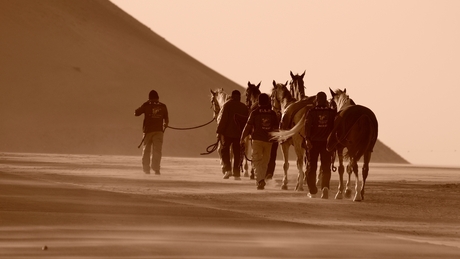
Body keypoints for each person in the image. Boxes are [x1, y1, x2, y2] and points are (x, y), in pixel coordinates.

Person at [240, 93, 279, 190]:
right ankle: (261, 180)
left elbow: (248, 126)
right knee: (265, 161)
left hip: (257, 140)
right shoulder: (273, 113)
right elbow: (276, 128)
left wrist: (242, 138)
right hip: (268, 141)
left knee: (256, 160)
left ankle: (259, 180)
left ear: (259, 102)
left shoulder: (255, 112)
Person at [304, 91, 336, 198]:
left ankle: (312, 191)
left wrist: (307, 139)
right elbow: (334, 128)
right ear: (326, 100)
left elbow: (307, 127)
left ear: (317, 100)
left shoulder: (311, 112)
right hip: (326, 143)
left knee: (311, 167)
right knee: (326, 167)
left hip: (313, 143)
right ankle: (325, 188)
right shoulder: (331, 112)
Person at [134, 90, 169, 175]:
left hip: (148, 132)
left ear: (149, 98)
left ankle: (146, 170)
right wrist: (164, 125)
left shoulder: (146, 105)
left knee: (146, 151)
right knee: (157, 151)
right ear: (158, 98)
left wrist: (146, 103)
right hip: (159, 132)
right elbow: (166, 120)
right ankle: (156, 169)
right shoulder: (163, 106)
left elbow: (136, 113)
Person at [216, 90, 249, 180]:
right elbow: (247, 122)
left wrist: (219, 132)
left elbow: (223, 120)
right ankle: (237, 173)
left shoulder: (227, 105)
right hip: (239, 134)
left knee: (224, 150)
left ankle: (228, 170)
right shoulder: (244, 107)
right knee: (237, 153)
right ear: (239, 97)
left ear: (231, 96)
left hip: (228, 133)